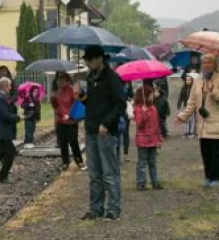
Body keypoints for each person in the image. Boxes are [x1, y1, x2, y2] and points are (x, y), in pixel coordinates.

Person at [80, 45, 127, 221]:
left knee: (109, 172)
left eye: (90, 60)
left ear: (99, 59)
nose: (87, 63)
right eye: (86, 60)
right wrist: (82, 97)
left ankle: (114, 209)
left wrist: (107, 123)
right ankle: (96, 208)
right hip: (91, 129)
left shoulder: (112, 78)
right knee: (94, 174)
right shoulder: (90, 78)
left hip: (106, 132)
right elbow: (91, 103)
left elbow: (120, 103)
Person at [177, 54, 219, 188]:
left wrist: (213, 90)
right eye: (204, 63)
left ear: (215, 64)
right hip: (203, 124)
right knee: (205, 152)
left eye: (209, 63)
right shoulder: (198, 80)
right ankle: (208, 177)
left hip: (217, 122)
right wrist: (183, 116)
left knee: (216, 153)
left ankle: (216, 179)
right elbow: (192, 102)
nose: (206, 66)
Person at [50, 72, 85, 170]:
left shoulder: (73, 90)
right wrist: (54, 104)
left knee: (73, 141)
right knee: (62, 142)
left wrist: (70, 115)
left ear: (67, 79)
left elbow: (76, 104)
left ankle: (79, 161)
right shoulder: (56, 92)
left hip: (71, 121)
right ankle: (65, 162)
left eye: (62, 79)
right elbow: (56, 108)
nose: (59, 81)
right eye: (58, 79)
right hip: (60, 121)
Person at [133, 85, 163, 191]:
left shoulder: (153, 108)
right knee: (142, 162)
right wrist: (143, 113)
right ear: (145, 96)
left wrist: (159, 138)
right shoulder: (138, 108)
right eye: (151, 94)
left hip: (153, 140)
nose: (153, 96)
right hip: (143, 140)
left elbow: (156, 124)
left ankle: (155, 182)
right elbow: (140, 124)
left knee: (152, 162)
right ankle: (141, 182)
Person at [177, 73, 197, 138]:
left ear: (192, 81)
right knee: (186, 118)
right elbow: (181, 96)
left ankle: (192, 131)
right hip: (186, 105)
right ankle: (186, 131)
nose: (187, 81)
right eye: (186, 80)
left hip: (193, 106)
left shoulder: (194, 88)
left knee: (192, 119)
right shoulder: (184, 88)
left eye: (189, 80)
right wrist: (179, 104)